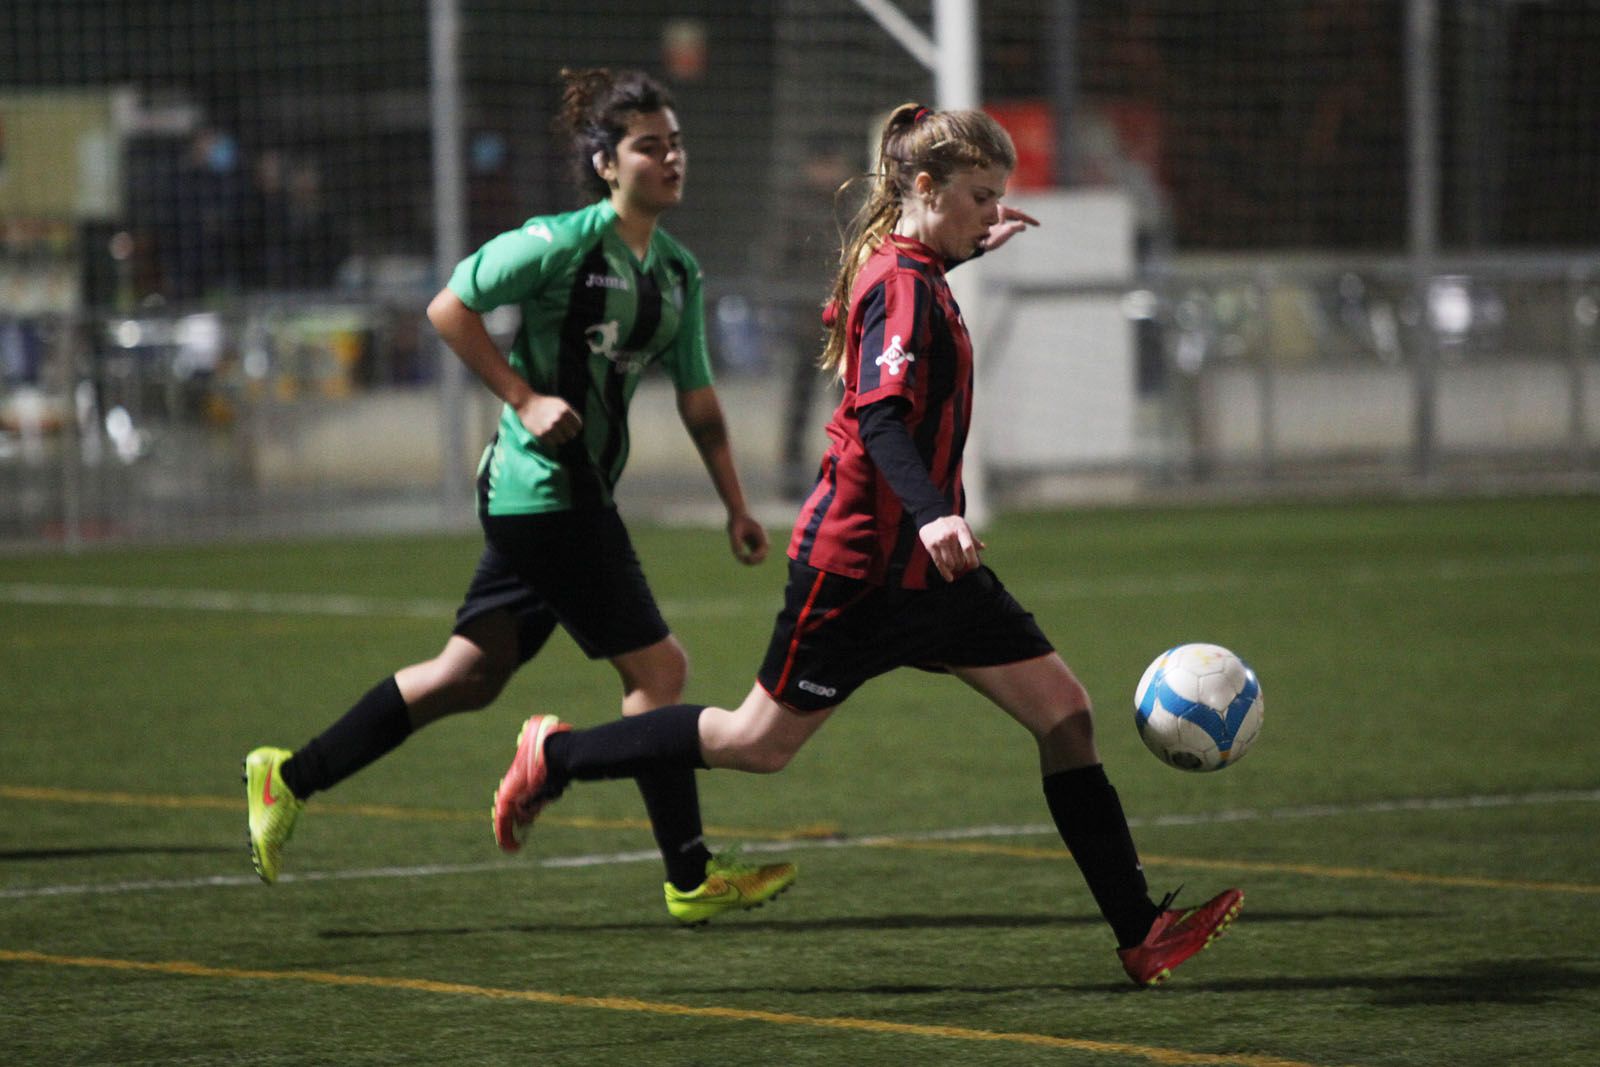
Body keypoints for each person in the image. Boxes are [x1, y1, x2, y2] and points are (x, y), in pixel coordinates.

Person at [489, 102, 1243, 986]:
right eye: (977, 197)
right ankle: (558, 755)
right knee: (755, 743)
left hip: (935, 577)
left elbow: (921, 299)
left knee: (1065, 713)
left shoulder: (918, 261)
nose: (990, 213)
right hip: (858, 571)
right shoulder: (902, 283)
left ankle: (1139, 931)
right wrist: (934, 513)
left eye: (998, 198)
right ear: (923, 188)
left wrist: (969, 240)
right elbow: (882, 420)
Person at [245, 67, 797, 924]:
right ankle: (688, 872)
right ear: (607, 163)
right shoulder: (559, 243)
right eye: (652, 146)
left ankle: (289, 775)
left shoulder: (680, 272)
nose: (672, 157)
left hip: (562, 499)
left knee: (471, 675)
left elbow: (699, 400)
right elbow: (449, 306)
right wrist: (523, 397)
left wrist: (735, 503)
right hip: (545, 493)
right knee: (661, 670)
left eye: (677, 142)